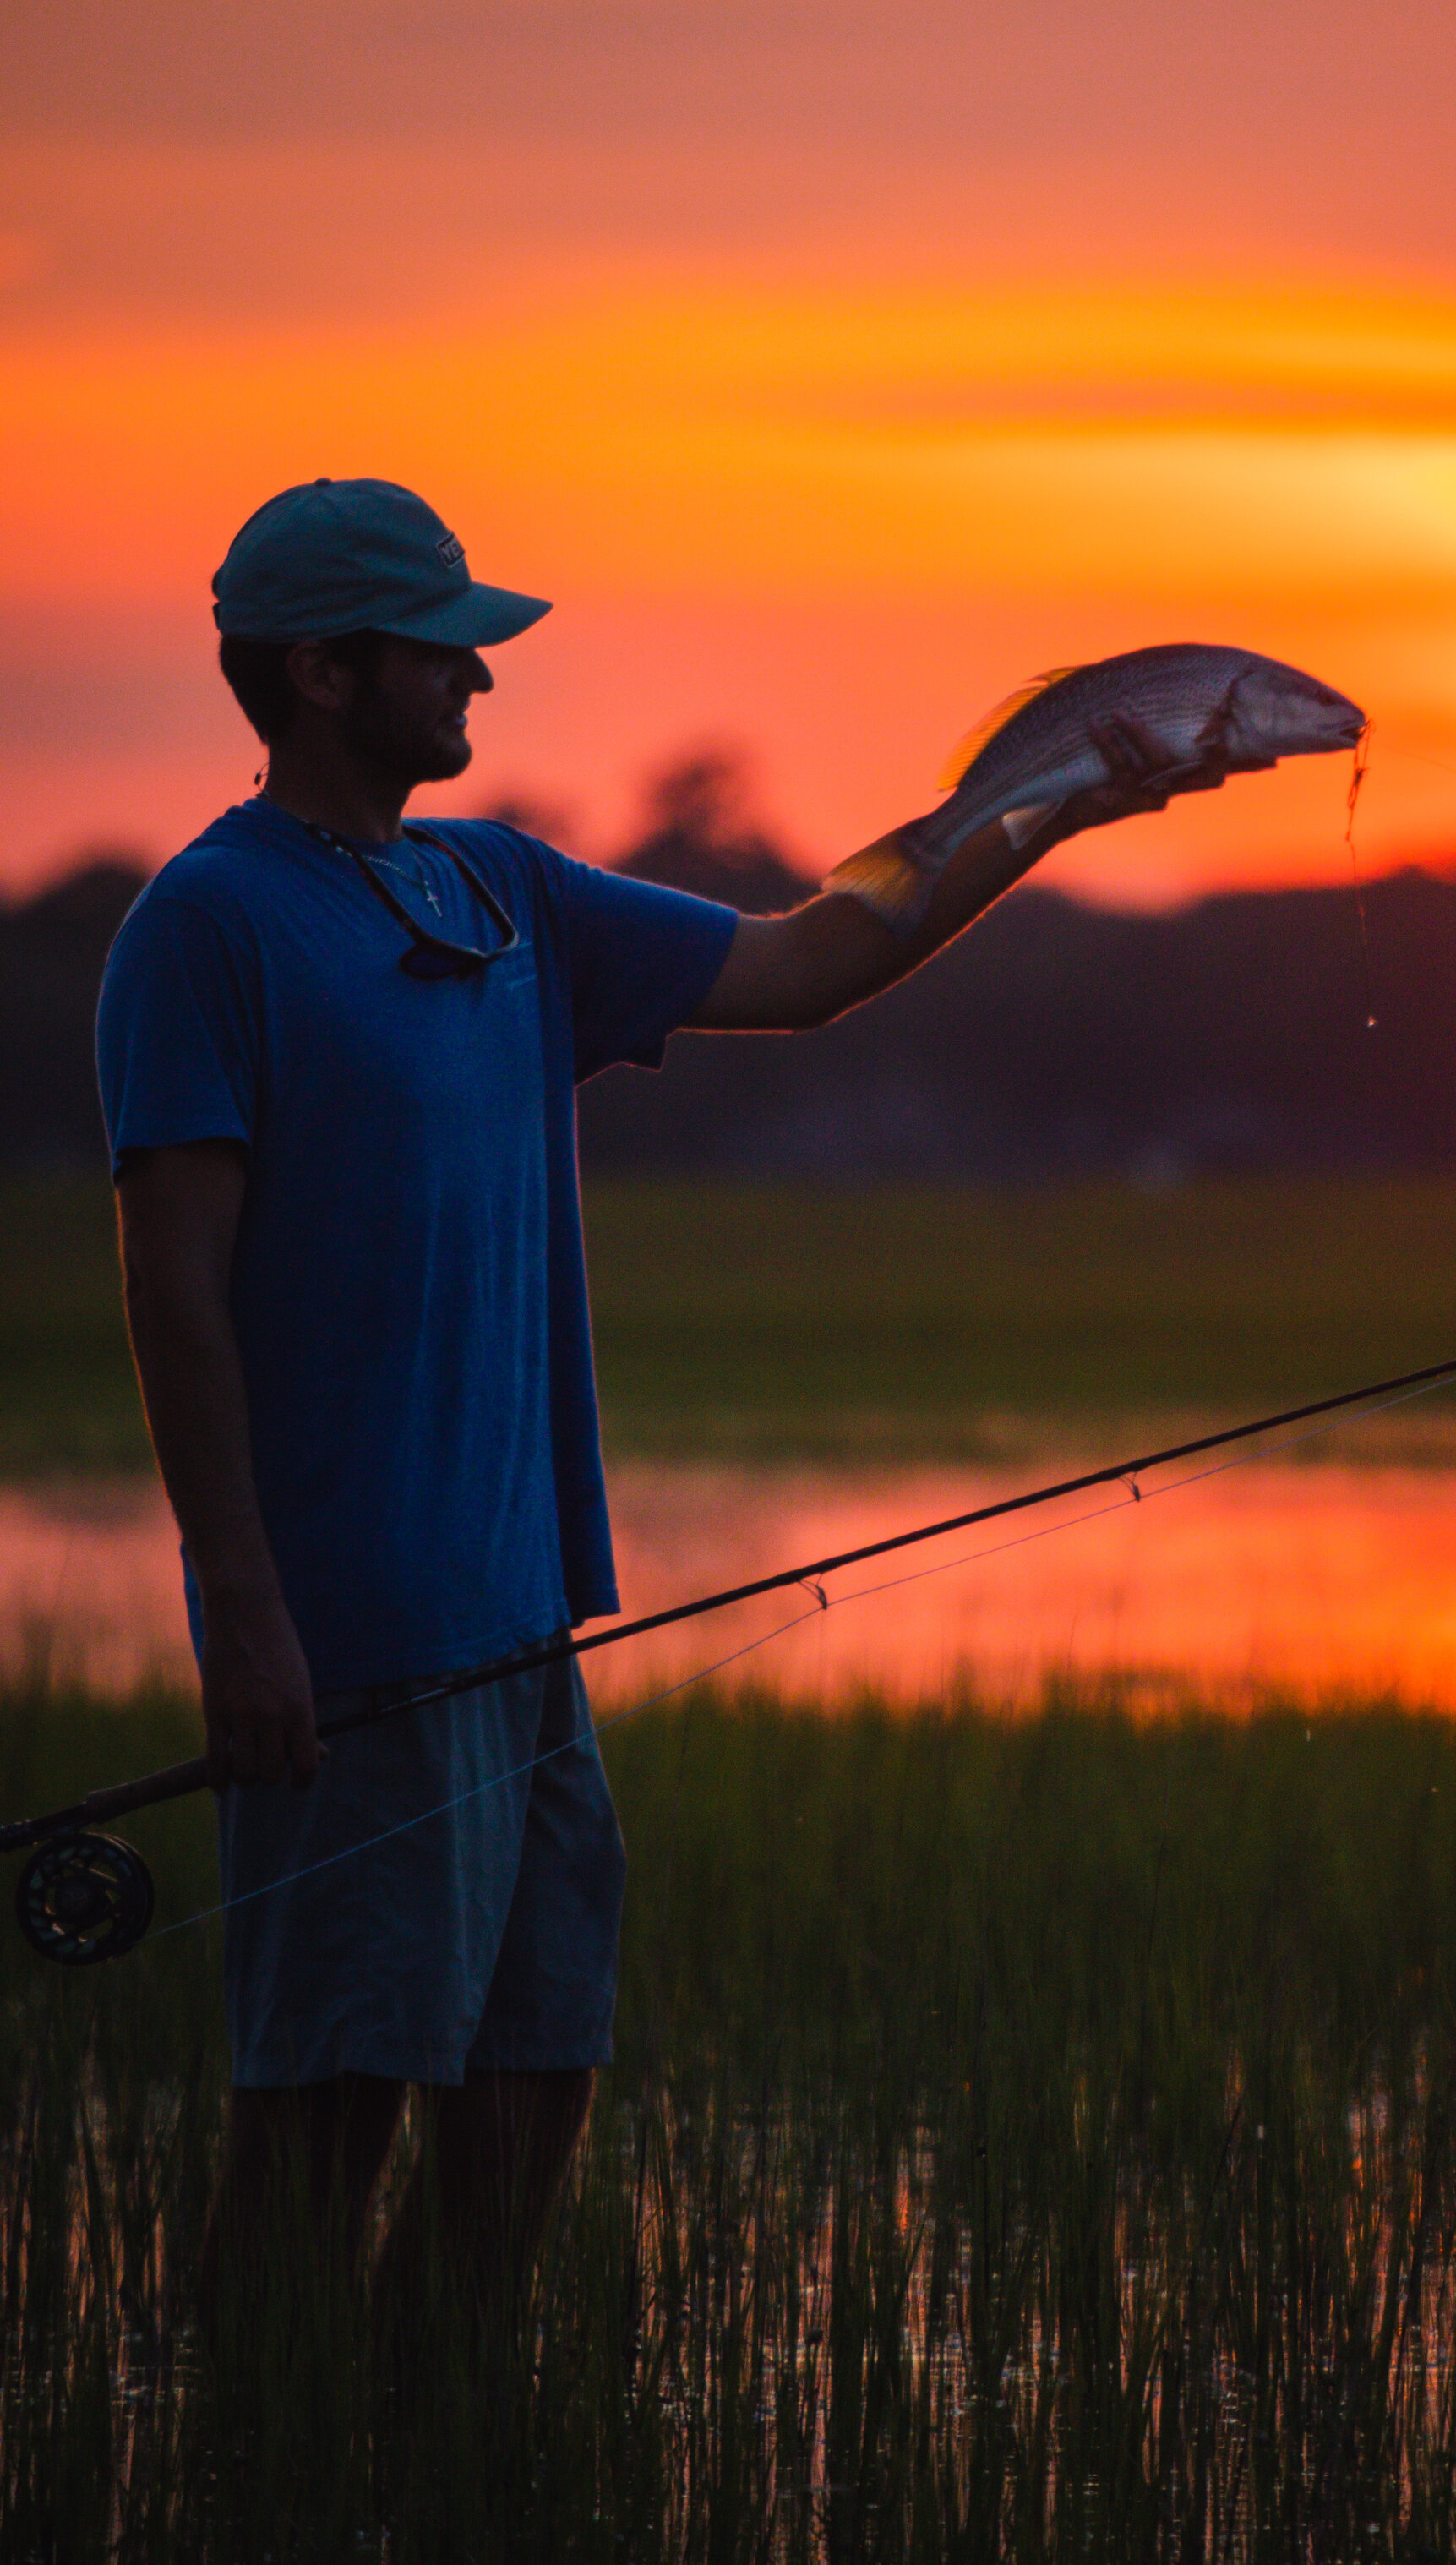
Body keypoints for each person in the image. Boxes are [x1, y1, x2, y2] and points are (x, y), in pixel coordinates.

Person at [95, 476, 1209, 2315]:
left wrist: (1054, 791)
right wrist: (248, 1626)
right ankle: (236, 2468)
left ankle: (424, 2460)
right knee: (326, 2115)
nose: (477, 676)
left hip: (522, 1624)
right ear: (317, 671)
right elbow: (172, 1293)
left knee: (538, 2072)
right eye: (439, 645)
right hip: (352, 1641)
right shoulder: (205, 930)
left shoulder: (504, 890)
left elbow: (814, 956)